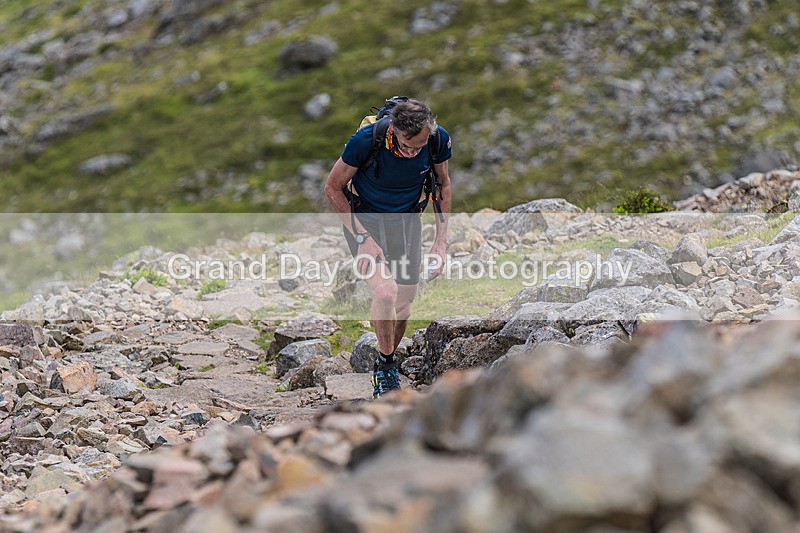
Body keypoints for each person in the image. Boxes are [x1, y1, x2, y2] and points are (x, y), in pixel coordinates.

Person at [324, 98, 452, 399]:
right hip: (365, 222)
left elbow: (442, 185)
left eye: (418, 148)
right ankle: (385, 367)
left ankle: (388, 354)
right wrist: (362, 239)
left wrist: (440, 242)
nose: (412, 153)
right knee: (385, 292)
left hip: (407, 222)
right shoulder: (366, 141)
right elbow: (332, 187)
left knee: (405, 301)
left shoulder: (437, 140)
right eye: (407, 146)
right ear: (394, 130)